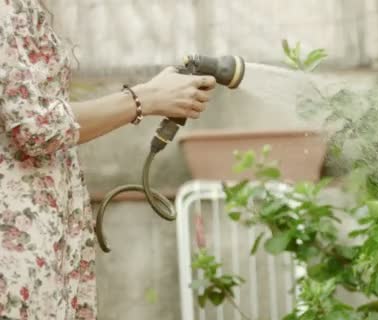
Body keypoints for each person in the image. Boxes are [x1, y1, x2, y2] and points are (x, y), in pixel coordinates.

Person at [0, 0, 216, 319]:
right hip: (17, 244)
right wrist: (146, 98)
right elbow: (36, 127)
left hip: (48, 234)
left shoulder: (25, 9)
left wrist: (152, 94)